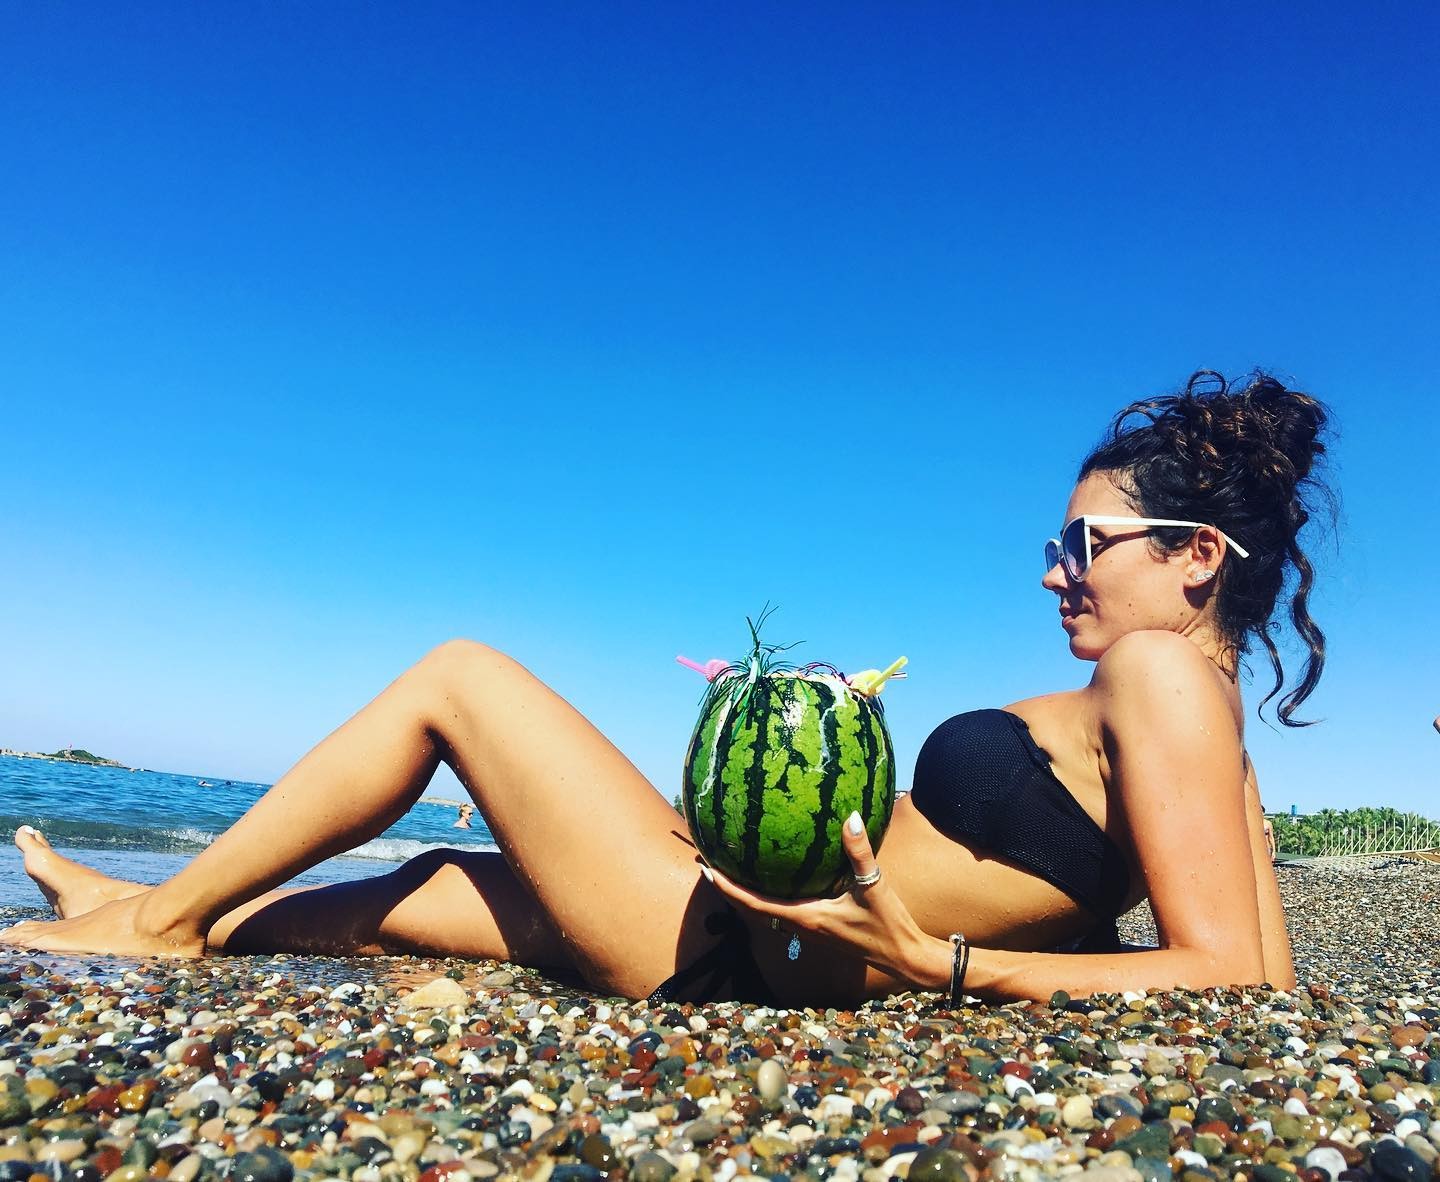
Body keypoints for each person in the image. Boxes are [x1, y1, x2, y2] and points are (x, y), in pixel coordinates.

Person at [2, 371, 1330, 1005]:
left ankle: (158, 922)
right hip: (738, 914)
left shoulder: (1157, 674)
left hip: (741, 943)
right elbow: (1267, 979)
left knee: (459, 677)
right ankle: (144, 901)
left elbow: (1218, 973)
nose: (1055, 572)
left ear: (1195, 556)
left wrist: (945, 962)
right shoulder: (1215, 729)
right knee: (418, 889)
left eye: (1084, 542)